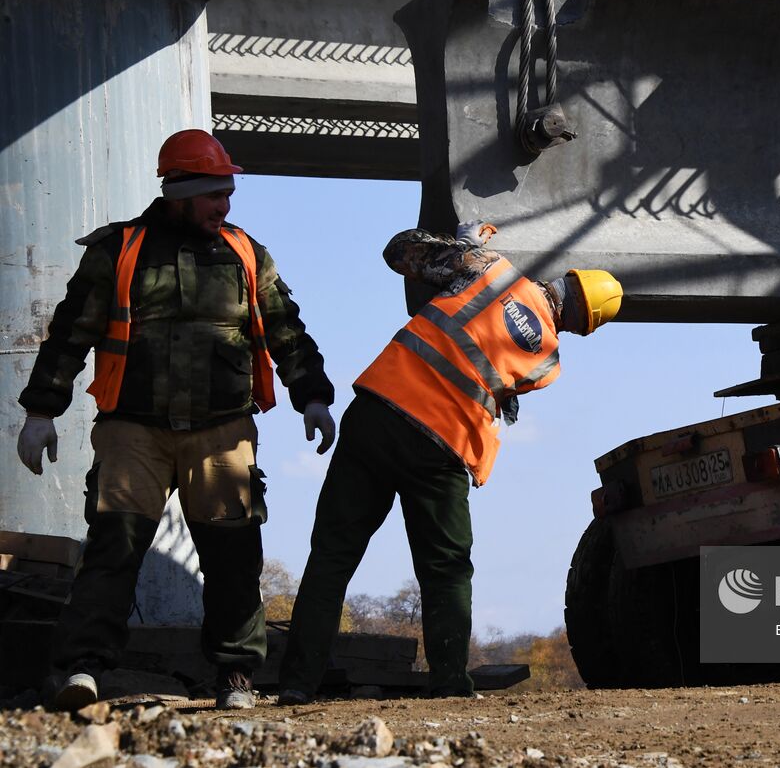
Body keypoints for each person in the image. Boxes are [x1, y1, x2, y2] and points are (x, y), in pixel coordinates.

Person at [15, 129, 336, 711]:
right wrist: (41, 410)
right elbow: (69, 334)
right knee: (113, 549)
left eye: (228, 193)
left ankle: (237, 677)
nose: (225, 206)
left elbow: (287, 329)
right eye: (214, 194)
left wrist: (312, 395)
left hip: (222, 430)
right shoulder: (118, 250)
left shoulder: (246, 254)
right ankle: (80, 670)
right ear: (180, 192)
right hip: (132, 430)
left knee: (235, 557)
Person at [276, 223, 622, 702]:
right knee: (446, 571)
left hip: (378, 411)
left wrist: (464, 247)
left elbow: (398, 250)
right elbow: (503, 366)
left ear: (566, 278)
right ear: (582, 325)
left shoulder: (489, 268)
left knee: (332, 557)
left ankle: (296, 685)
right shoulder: (548, 361)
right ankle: (449, 684)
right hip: (440, 447)